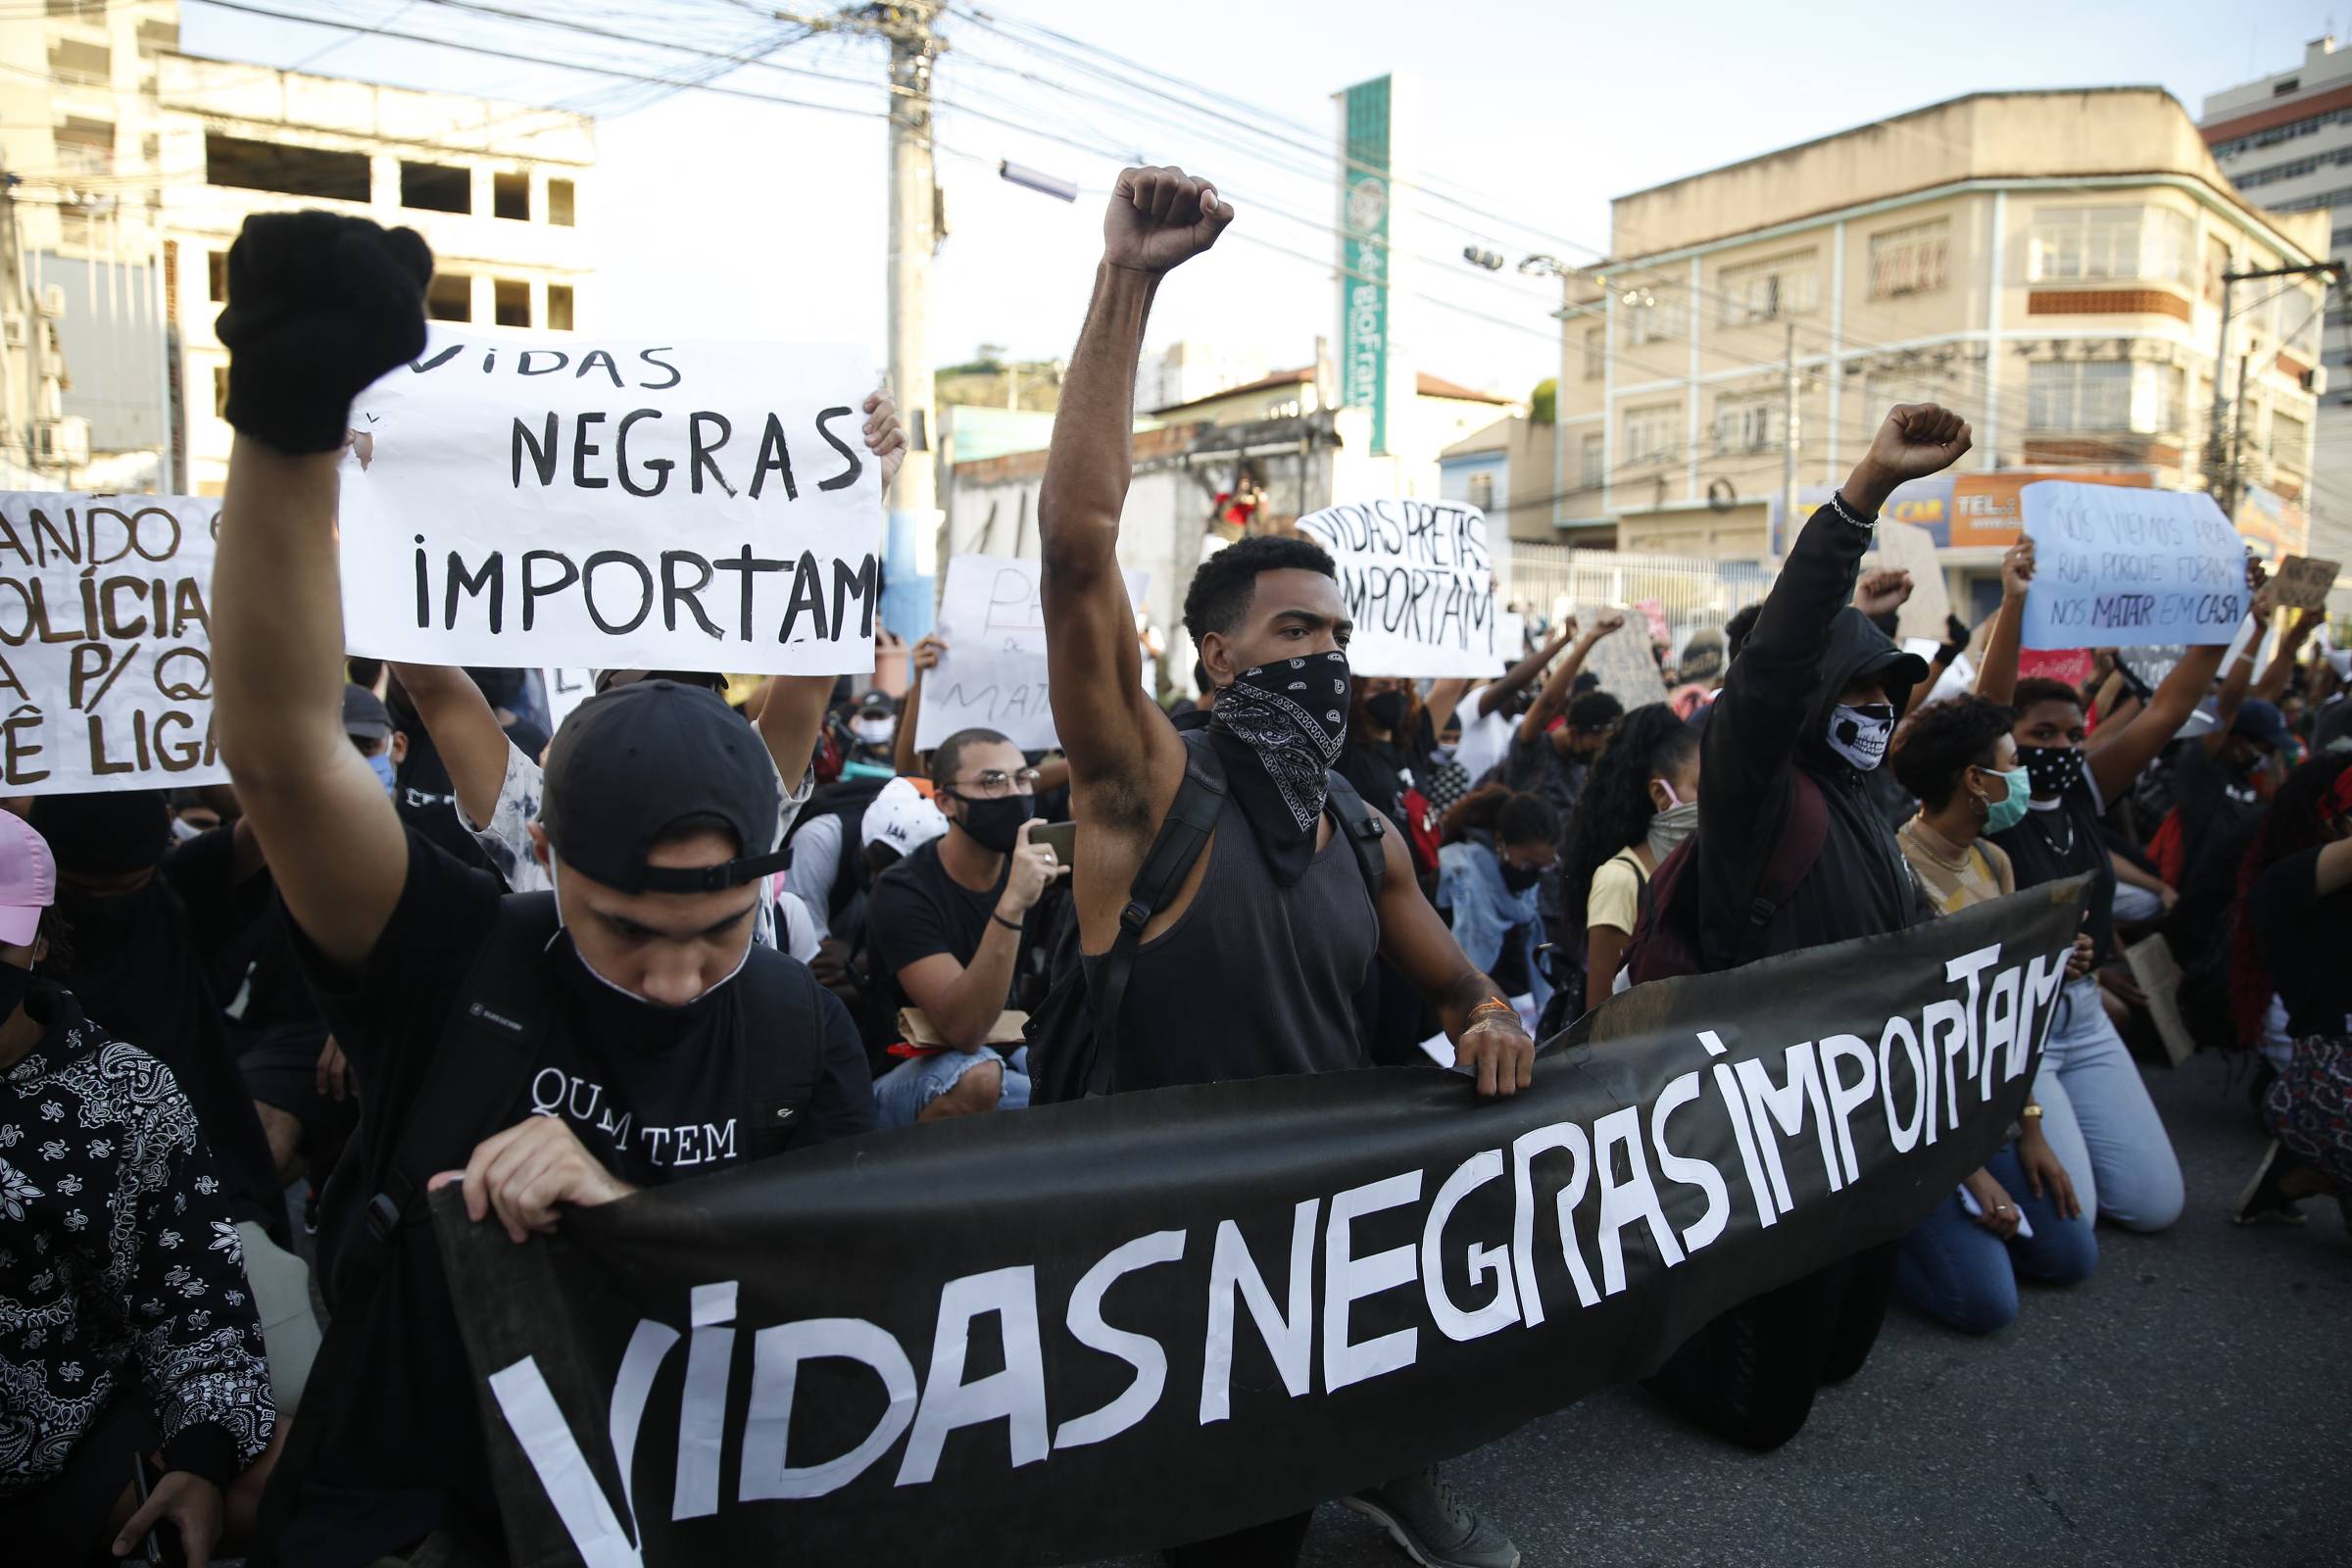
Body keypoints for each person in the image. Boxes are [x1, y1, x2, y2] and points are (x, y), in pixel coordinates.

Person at [207, 208, 877, 1567]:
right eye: (626, 931)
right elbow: (281, 755)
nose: (679, 978)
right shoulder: (453, 953)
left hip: (686, 1514)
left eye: (722, 933)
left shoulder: (806, 1034)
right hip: (419, 1507)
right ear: (546, 855)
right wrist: (286, 437)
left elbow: (848, 1296)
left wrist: (626, 1215)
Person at [1037, 164, 1533, 1568]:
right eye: (1294, 634)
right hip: (1138, 1282)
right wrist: (1128, 280)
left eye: (1337, 633)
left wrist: (1493, 1028)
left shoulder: (1370, 838)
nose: (1326, 657)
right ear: (1216, 658)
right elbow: (1078, 551)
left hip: (1306, 1274)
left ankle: (1384, 1473)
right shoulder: (1147, 787)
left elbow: (1463, 991)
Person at [1639, 403, 1969, 1452]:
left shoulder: (1872, 804)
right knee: (1764, 1416)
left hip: (1863, 1121)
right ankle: (1634, 1339)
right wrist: (1862, 494)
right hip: (1769, 1130)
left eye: (1890, 692)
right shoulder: (1760, 798)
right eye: (1859, 689)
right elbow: (1776, 668)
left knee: (1840, 1356)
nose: (1879, 710)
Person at [0, 810, 280, 1568]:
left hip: (76, 1434)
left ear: (40, 939)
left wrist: (200, 1455)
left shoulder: (129, 1093)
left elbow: (196, 1301)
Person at [1974, 533, 2251, 1236]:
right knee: (2075, 1223)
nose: (2064, 748)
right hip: (2018, 1022)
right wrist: (2014, 601)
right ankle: (1986, 1151)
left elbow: (2167, 709)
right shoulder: (1992, 805)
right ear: (2010, 740)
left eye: (2073, 735)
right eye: (2043, 733)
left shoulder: (2085, 793)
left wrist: (2228, 611)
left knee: (2156, 1206)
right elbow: (1987, 707)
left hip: (2083, 1016)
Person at [1887, 694, 2098, 1332]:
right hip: (1914, 1123)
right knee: (1983, 1305)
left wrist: (2031, 1128)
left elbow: (2010, 1018)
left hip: (1983, 1108)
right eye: (2012, 762)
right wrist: (1969, 1174)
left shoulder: (1992, 861)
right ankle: (1874, 1237)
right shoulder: (1895, 871)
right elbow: (1900, 1047)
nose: (2024, 776)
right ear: (1976, 781)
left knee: (2069, 1258)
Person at [865, 727, 1055, 1125]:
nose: (1014, 794)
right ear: (946, 802)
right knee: (979, 1077)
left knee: (1070, 1075)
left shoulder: (1031, 869)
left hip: (1000, 1048)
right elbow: (963, 1030)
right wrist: (1013, 904)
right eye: (992, 782)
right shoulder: (902, 890)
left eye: (1023, 779)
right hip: (908, 1077)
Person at [2229, 752, 2352, 1223]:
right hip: (2322, 1084)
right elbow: (2273, 893)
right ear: (2331, 823)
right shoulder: (2292, 887)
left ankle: (2308, 1172)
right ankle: (2313, 1160)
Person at [1556, 702, 1700, 1009]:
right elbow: (1602, 1015)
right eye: (1701, 787)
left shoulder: (1705, 866)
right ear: (1661, 794)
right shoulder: (1620, 880)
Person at [1435, 785, 1559, 1021]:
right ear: (1500, 842)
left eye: (1545, 867)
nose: (1533, 875)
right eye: (1528, 864)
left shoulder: (1523, 894)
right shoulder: (1460, 874)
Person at [1500, 616, 1625, 821]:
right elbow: (1547, 702)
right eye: (1595, 747)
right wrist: (1589, 640)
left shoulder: (1582, 764)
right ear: (1574, 732)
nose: (1598, 754)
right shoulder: (1532, 747)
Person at [1423, 624, 1575, 788]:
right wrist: (1560, 643)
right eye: (1524, 689)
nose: (1527, 696)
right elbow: (1512, 683)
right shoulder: (1478, 708)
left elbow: (1551, 704)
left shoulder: (1517, 724)